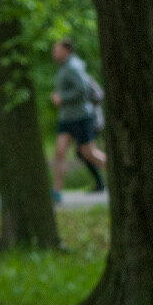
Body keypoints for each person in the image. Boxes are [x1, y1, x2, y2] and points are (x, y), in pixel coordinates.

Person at [50, 38, 106, 202]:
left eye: (57, 49)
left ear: (66, 50)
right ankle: (56, 191)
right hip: (67, 118)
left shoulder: (74, 67)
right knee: (60, 152)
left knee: (89, 153)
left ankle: (122, 174)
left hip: (81, 116)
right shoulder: (64, 67)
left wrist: (62, 98)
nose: (54, 52)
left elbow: (82, 89)